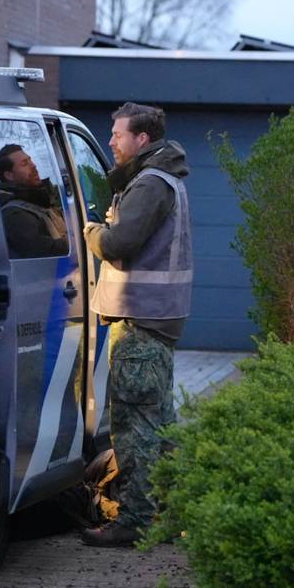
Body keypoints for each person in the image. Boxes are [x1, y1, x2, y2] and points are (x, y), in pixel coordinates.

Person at [79, 102, 192, 547]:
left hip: (140, 319)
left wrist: (90, 230)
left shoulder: (149, 183)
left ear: (141, 139)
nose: (111, 141)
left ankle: (135, 521)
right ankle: (173, 514)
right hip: (156, 317)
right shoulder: (164, 178)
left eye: (118, 134)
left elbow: (119, 242)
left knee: (133, 428)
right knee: (159, 424)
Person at [0, 144, 68, 258]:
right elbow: (44, 252)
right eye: (24, 164)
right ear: (9, 175)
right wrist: (80, 239)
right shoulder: (14, 215)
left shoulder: (40, 202)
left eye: (30, 160)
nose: (33, 165)